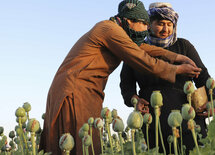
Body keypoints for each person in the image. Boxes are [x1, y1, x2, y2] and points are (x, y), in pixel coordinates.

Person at [39, 0, 202, 154]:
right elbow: (143, 59)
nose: (146, 29)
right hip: (74, 90)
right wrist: (178, 69)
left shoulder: (118, 31)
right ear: (130, 20)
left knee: (89, 144)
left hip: (87, 92)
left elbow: (143, 48)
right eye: (144, 24)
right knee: (79, 146)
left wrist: (176, 57)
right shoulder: (108, 29)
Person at [120, 2, 215, 154]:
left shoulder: (183, 46)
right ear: (148, 25)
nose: (166, 29)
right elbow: (126, 85)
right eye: (160, 24)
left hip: (188, 119)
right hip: (153, 122)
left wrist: (213, 101)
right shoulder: (136, 50)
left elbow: (202, 75)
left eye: (169, 24)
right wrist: (134, 99)